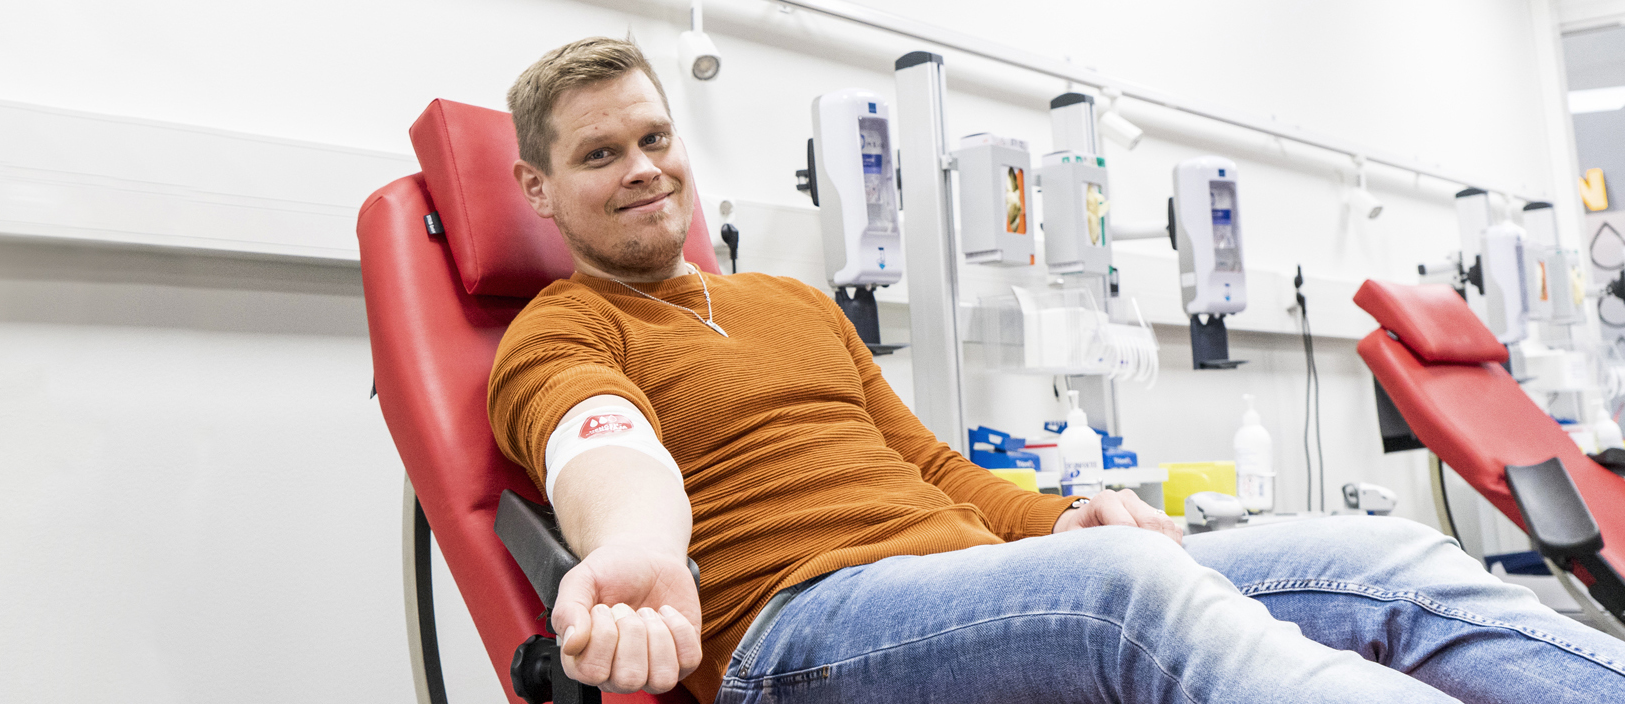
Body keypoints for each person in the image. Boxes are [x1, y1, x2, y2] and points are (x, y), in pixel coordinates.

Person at [485, 37, 1625, 704]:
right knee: (1123, 592)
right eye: (600, 154)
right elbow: (605, 448)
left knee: (1380, 558)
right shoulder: (559, 331)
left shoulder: (787, 302)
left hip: (972, 582)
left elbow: (933, 466)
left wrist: (1065, 518)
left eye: (654, 138)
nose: (643, 169)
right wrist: (639, 550)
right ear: (538, 188)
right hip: (794, 632)